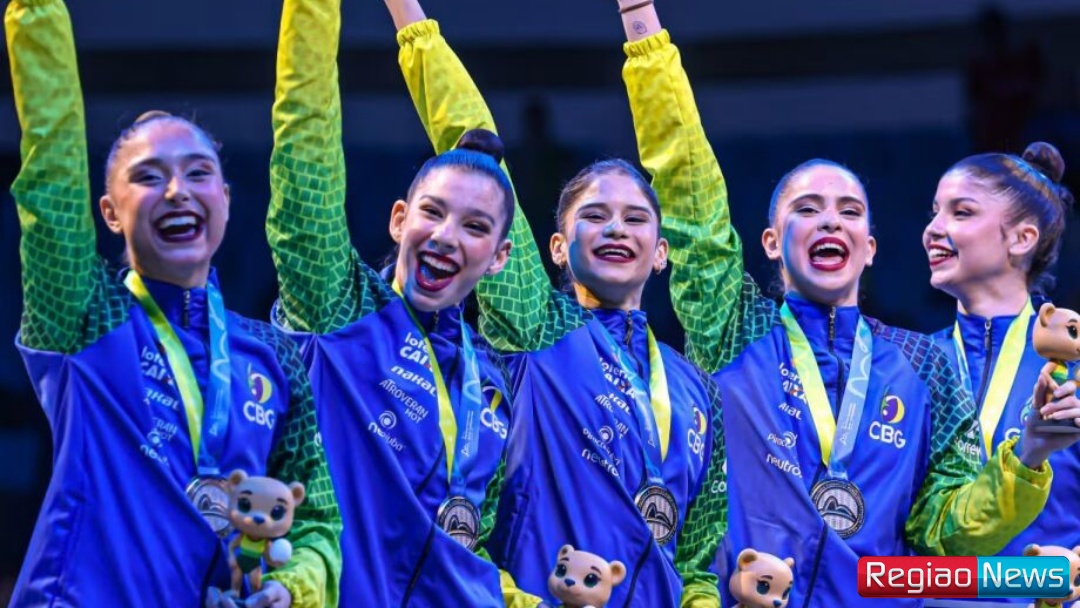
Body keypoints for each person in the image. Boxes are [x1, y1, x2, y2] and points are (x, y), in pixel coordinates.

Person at [613, 0, 1080, 606]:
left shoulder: (921, 365)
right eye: (807, 209)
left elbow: (944, 538)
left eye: (850, 211)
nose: (830, 220)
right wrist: (644, 32)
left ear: (870, 247)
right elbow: (689, 193)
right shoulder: (734, 328)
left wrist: (1031, 461)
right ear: (772, 243)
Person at [389, 1, 727, 605]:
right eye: (594, 216)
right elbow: (476, 161)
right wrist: (408, 18)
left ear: (662, 252)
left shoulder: (696, 390)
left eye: (636, 218)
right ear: (556, 249)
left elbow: (698, 564)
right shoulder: (538, 328)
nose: (616, 228)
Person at [5, 1, 341, 606]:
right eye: (148, 177)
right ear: (109, 213)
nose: (177, 190)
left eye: (198, 173)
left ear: (226, 199)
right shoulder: (86, 320)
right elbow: (49, 173)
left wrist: (292, 588)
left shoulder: (271, 354)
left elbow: (316, 519)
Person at [266, 0, 539, 605]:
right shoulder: (339, 312)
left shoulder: (490, 387)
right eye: (432, 212)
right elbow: (305, 148)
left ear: (499, 257)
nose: (445, 236)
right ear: (399, 220)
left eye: (474, 227)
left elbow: (463, 556)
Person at [922, 143, 1079, 606]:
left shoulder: (1073, 366)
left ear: (1022, 239)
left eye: (961, 212)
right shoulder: (907, 365)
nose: (933, 229)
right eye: (934, 212)